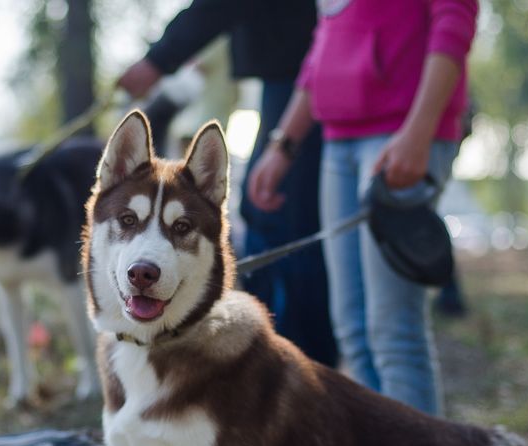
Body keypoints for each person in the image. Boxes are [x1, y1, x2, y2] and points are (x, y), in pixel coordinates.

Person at [248, 0, 478, 416]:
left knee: (393, 330)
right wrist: (283, 145)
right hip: (339, 138)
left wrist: (419, 130)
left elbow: (454, 18)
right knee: (352, 328)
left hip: (400, 133)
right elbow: (324, 43)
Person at [118, 0, 338, 367]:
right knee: (272, 219)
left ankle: (303, 366)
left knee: (282, 222)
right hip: (290, 69)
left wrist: (158, 60)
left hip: (302, 70)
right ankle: (285, 356)